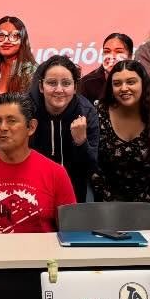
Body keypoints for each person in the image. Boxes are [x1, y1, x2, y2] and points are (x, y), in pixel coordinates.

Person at [0, 94, 77, 255]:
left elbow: (72, 234)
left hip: (44, 269)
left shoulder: (56, 173)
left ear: (31, 127)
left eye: (11, 120)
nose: (2, 127)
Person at [93, 58, 150, 204]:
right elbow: (93, 165)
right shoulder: (98, 114)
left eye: (131, 82)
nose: (123, 88)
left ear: (143, 84)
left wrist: (141, 206)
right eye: (117, 84)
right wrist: (111, 202)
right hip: (107, 207)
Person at [28, 54, 101, 201]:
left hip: (74, 190)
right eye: (52, 83)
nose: (59, 90)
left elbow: (91, 167)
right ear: (41, 87)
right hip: (32, 189)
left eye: (66, 83)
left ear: (75, 88)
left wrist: (81, 142)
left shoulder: (86, 112)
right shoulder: (26, 111)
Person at [0, 15, 37, 107]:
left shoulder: (31, 70)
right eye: (1, 35)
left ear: (23, 40)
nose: (6, 41)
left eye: (14, 36)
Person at [79, 33, 133, 104]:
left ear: (130, 56)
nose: (111, 56)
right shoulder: (86, 83)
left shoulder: (140, 81)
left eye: (119, 52)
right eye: (107, 52)